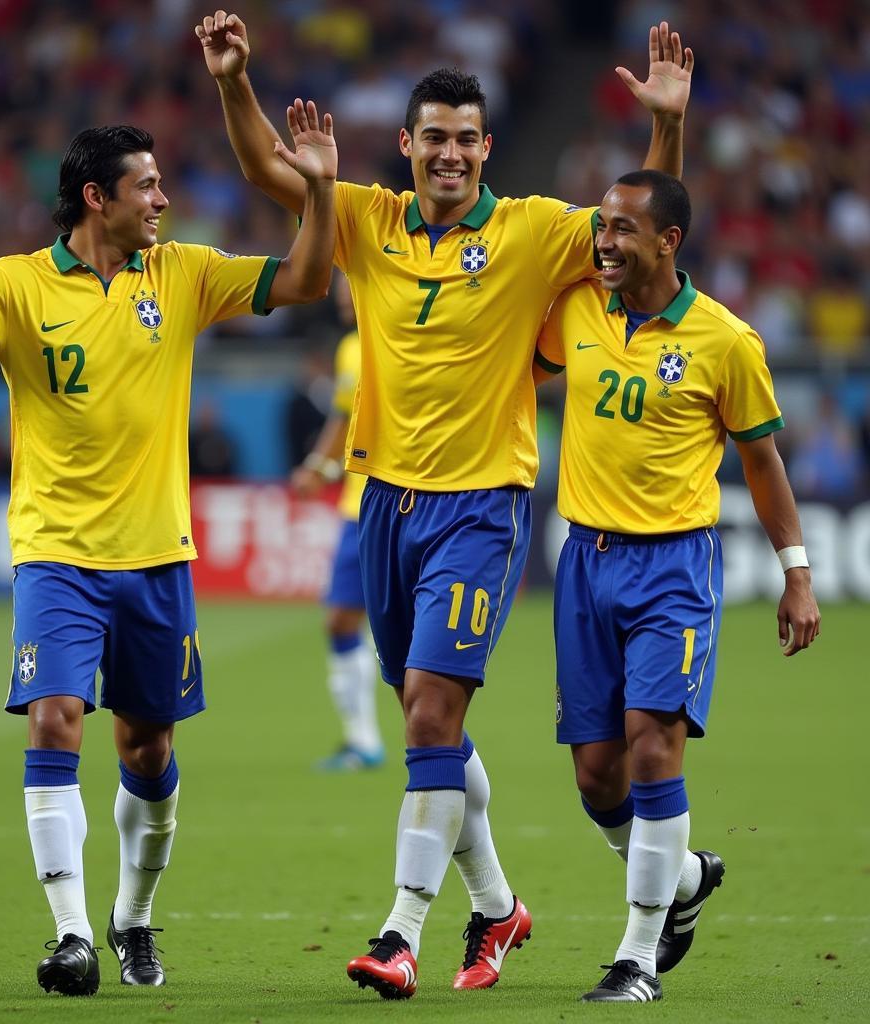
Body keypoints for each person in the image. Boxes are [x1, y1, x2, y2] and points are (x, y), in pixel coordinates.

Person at [196, 10, 693, 998]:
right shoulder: (367, 218)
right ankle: (500, 906)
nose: (451, 154)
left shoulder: (531, 231)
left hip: (481, 506)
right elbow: (267, 173)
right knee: (434, 729)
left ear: (486, 147)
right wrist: (232, 83)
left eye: (467, 138)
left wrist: (667, 125)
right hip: (383, 501)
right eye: (435, 137)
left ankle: (399, 931)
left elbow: (642, 221)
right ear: (409, 144)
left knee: (428, 716)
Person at [0, 114, 337, 996]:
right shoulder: (15, 286)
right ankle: (71, 938)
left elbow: (311, 279)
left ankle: (131, 916)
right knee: (56, 718)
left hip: (157, 557)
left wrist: (319, 190)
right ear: (98, 198)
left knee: (148, 754)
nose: (165, 199)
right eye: (148, 186)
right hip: (55, 554)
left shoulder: (186, 273)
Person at [533, 170, 821, 1002]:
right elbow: (518, 371)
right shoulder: (578, 308)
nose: (605, 242)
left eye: (624, 229)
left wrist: (796, 574)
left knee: (653, 743)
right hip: (582, 561)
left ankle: (637, 953)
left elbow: (762, 462)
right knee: (597, 774)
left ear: (669, 240)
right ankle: (685, 879)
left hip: (672, 566)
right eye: (602, 228)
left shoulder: (727, 341)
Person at [290, 273, 383, 772]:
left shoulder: (404, 335)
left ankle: (434, 740)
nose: (344, 296)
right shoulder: (351, 348)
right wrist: (319, 468)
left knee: (409, 637)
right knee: (341, 619)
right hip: (358, 505)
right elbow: (344, 420)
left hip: (405, 499)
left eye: (354, 285)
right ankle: (363, 740)